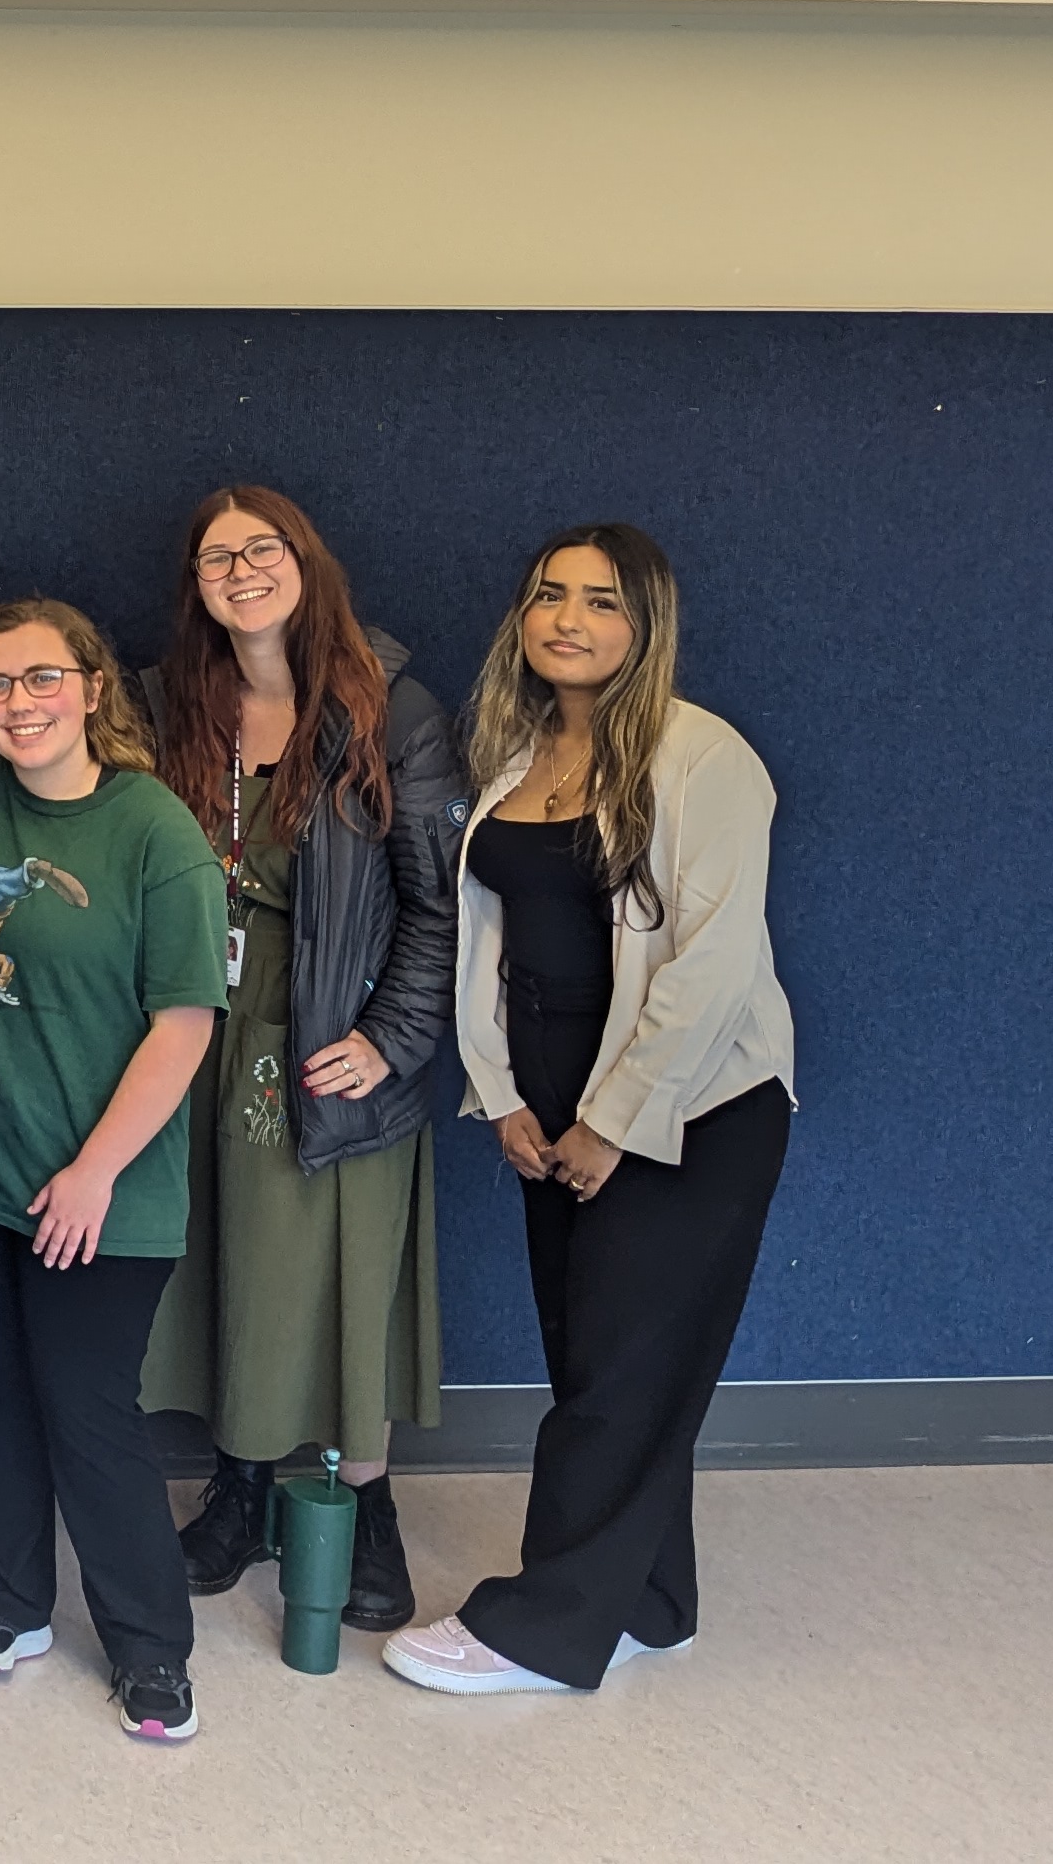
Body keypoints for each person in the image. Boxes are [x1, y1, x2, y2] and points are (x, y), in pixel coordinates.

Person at [389, 525, 794, 1695]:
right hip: (552, 1101)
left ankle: (542, 1627)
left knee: (621, 1368)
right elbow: (492, 947)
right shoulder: (514, 755)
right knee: (598, 1363)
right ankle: (649, 1601)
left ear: (645, 624)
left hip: (695, 1107)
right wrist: (504, 1097)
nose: (569, 619)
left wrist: (618, 1119)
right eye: (549, 596)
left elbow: (712, 965)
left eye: (601, 602)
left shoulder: (703, 755)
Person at [0, 597, 224, 1744]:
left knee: (87, 1411)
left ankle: (150, 1649)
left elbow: (183, 1024)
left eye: (39, 680)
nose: (17, 703)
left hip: (102, 1190)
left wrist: (93, 1172)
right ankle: (11, 1605)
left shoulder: (152, 828)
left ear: (89, 686)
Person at [136, 489, 460, 1633]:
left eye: (261, 548)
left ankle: (363, 1506)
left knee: (335, 1275)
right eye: (216, 555)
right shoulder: (174, 704)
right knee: (221, 1255)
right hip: (194, 1027)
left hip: (330, 1032)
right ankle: (237, 1486)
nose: (240, 569)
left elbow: (439, 901)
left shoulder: (390, 711)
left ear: (306, 561)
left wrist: (392, 1037)